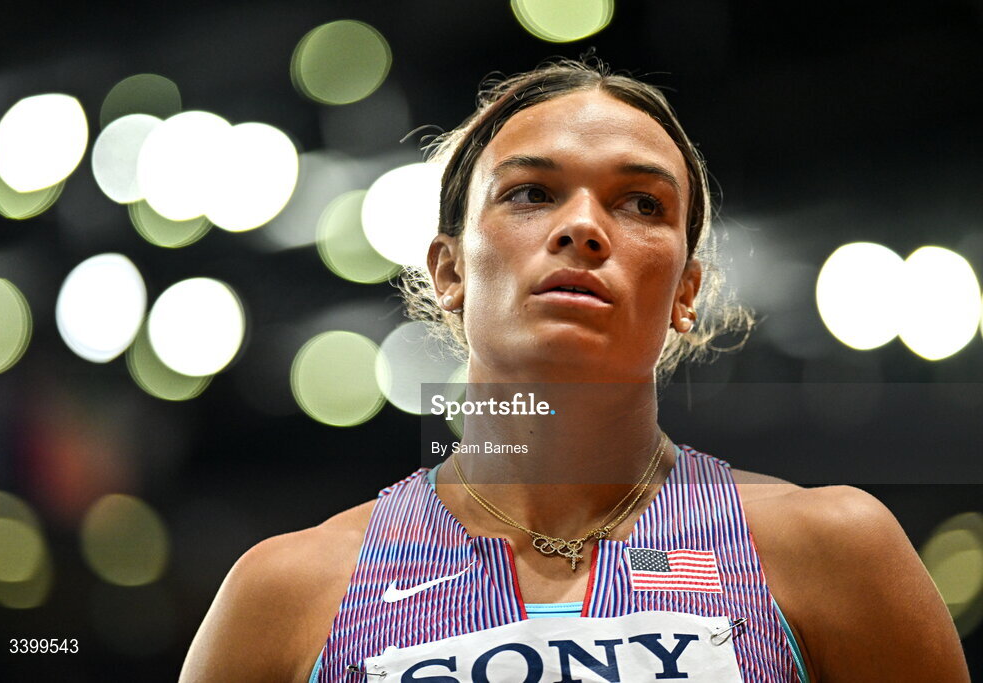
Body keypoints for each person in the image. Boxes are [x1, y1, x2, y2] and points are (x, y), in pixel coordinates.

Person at [180, 60, 970, 682]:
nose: (585, 227)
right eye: (531, 192)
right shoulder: (289, 595)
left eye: (642, 205)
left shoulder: (831, 553)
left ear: (685, 292)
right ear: (449, 270)